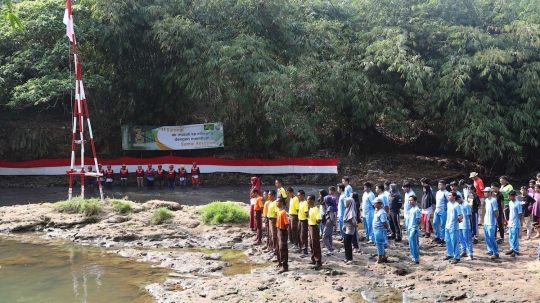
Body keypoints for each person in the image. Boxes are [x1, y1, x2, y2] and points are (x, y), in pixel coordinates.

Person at [443, 191, 464, 264]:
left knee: (454, 242)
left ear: (454, 197)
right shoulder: (448, 204)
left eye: (450, 195)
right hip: (447, 225)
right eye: (448, 195)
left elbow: (461, 215)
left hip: (454, 226)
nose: (448, 197)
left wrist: (458, 220)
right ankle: (450, 254)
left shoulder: (457, 205)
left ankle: (457, 257)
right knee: (448, 241)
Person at [483, 187, 500, 259]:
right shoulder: (486, 200)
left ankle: (496, 253)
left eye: (486, 192)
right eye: (484, 192)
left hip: (491, 222)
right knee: (487, 238)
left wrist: (496, 220)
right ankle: (490, 250)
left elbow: (496, 211)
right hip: (486, 221)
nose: (485, 193)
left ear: (490, 192)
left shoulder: (493, 200)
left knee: (491, 238)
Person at [307, 194, 323, 269]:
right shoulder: (310, 208)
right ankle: (313, 258)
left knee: (315, 244)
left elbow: (319, 220)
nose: (307, 201)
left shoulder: (315, 209)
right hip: (310, 226)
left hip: (314, 227)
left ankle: (318, 261)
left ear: (312, 200)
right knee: (311, 243)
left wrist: (317, 220)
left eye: (308, 199)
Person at [373, 197, 390, 264]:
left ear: (379, 204)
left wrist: (387, 229)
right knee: (380, 245)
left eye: (375, 203)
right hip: (377, 230)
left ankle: (379, 260)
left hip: (380, 231)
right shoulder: (377, 210)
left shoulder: (382, 212)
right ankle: (384, 257)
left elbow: (384, 223)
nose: (374, 204)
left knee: (379, 245)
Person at [506, 190, 523, 257]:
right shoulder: (510, 203)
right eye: (508, 196)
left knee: (515, 237)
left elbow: (520, 214)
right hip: (511, 222)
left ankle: (516, 250)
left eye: (510, 196)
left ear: (513, 196)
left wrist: (520, 222)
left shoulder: (518, 203)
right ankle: (511, 249)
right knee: (510, 237)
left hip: (516, 223)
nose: (509, 197)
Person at [275, 197, 289, 274]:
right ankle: (280, 262)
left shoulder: (283, 212)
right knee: (278, 247)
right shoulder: (278, 211)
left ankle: (284, 266)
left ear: (281, 203)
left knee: (283, 248)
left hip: (282, 231)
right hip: (278, 230)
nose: (276, 203)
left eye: (277, 201)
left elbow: (287, 223)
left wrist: (284, 231)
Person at [458, 193, 473, 260]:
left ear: (460, 198)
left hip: (466, 225)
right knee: (461, 239)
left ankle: (470, 254)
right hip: (459, 225)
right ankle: (464, 251)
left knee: (467, 240)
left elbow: (470, 215)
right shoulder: (458, 204)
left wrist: (466, 221)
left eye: (457, 200)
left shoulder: (466, 204)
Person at [407, 195, 421, 264]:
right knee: (411, 244)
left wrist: (415, 227)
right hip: (410, 228)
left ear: (415, 201)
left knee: (414, 244)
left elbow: (419, 220)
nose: (410, 202)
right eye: (409, 200)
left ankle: (416, 259)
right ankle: (413, 258)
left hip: (414, 229)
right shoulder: (411, 209)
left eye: (411, 200)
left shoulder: (417, 209)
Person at [343, 197, 357, 265]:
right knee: (345, 244)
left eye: (345, 202)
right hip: (347, 229)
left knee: (348, 244)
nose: (344, 204)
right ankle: (347, 258)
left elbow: (354, 221)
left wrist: (355, 225)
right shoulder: (347, 210)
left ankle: (350, 259)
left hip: (350, 230)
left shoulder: (351, 211)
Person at [322, 188, 337, 255]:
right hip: (330, 223)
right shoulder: (331, 206)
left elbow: (331, 217)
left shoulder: (330, 208)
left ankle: (330, 249)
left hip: (329, 223)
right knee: (330, 236)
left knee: (324, 237)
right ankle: (331, 249)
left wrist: (334, 223)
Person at [267, 190, 279, 260]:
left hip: (273, 220)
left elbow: (277, 213)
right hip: (270, 219)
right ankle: (272, 249)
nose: (268, 196)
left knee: (274, 235)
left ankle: (275, 250)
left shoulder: (275, 203)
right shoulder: (270, 202)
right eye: (268, 194)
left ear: (273, 195)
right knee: (271, 235)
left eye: (270, 195)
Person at [297, 190, 309, 256]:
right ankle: (301, 247)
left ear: (303, 195)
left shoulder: (305, 203)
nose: (298, 196)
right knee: (299, 234)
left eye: (299, 195)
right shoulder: (300, 202)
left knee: (303, 235)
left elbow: (306, 213)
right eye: (298, 195)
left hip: (304, 221)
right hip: (300, 220)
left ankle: (305, 250)